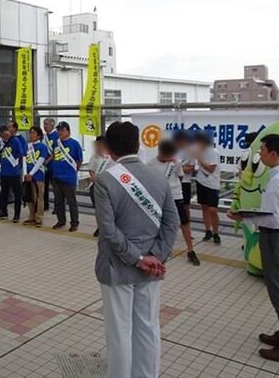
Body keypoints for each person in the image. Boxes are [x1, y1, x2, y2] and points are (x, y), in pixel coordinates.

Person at [93, 121, 179, 378]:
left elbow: (107, 229)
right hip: (152, 267)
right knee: (148, 327)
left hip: (116, 266)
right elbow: (172, 221)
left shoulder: (106, 179)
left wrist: (137, 258)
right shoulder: (157, 175)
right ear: (139, 144)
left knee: (119, 332)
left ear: (108, 148)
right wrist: (155, 257)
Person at [227, 134, 279, 365]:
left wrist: (243, 215)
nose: (258, 154)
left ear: (274, 153)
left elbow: (273, 218)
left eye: (261, 150)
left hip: (278, 240)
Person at [148, 140, 200, 266]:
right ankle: (161, 248)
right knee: (159, 223)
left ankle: (190, 250)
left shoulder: (175, 163)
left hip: (176, 196)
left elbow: (180, 177)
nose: (171, 157)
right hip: (159, 197)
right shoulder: (150, 164)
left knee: (184, 223)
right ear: (161, 153)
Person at [52, 121, 83, 232]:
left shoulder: (75, 144)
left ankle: (74, 222)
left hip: (69, 178)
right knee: (58, 201)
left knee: (71, 202)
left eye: (62, 130)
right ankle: (61, 220)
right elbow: (54, 155)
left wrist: (74, 171)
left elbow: (79, 160)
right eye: (58, 130)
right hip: (57, 177)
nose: (60, 132)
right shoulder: (56, 143)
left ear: (68, 131)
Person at [193, 131, 222, 244]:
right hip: (201, 181)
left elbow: (211, 168)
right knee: (204, 207)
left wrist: (199, 159)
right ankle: (208, 231)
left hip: (212, 184)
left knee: (212, 210)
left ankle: (216, 233)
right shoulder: (198, 151)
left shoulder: (213, 151)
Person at [0, 125, 24, 222]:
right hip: (3, 172)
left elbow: (21, 154)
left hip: (14, 173)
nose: (5, 137)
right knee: (4, 194)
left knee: (17, 194)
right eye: (2, 135)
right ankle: (4, 211)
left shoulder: (15, 140)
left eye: (6, 134)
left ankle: (17, 215)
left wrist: (17, 166)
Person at [23, 126, 49, 227]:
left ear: (39, 135)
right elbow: (25, 160)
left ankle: (39, 218)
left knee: (39, 197)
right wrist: (25, 173)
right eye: (30, 133)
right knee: (30, 196)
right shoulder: (27, 146)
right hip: (27, 176)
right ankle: (31, 216)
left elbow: (40, 161)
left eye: (33, 133)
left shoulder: (42, 146)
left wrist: (31, 173)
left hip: (38, 175)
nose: (31, 135)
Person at [88, 136, 113, 237]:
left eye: (100, 144)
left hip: (107, 187)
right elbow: (91, 169)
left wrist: (98, 179)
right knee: (97, 209)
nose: (98, 147)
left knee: (108, 209)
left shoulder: (111, 157)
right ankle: (100, 227)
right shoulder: (94, 156)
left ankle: (108, 228)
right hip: (95, 186)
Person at [173, 130, 195, 223]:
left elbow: (191, 168)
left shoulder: (190, 151)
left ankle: (187, 227)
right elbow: (169, 165)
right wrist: (182, 167)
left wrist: (178, 167)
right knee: (173, 206)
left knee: (186, 206)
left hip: (185, 182)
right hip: (173, 183)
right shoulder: (172, 150)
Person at [43, 118, 58, 212]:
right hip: (44, 166)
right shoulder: (44, 137)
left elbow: (56, 152)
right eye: (44, 124)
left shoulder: (56, 136)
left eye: (46, 124)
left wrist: (48, 160)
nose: (45, 126)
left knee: (56, 188)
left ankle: (57, 206)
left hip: (53, 165)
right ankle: (45, 204)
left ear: (52, 126)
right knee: (44, 187)